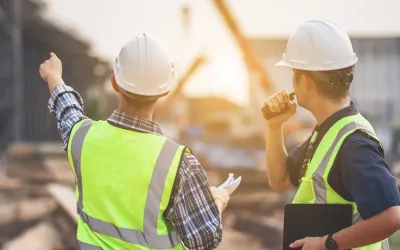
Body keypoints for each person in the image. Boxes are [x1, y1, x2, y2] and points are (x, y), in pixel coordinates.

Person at [39, 33, 230, 250]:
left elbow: (67, 110)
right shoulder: (179, 163)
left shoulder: (82, 138)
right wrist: (218, 200)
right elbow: (205, 239)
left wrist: (54, 76)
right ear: (165, 91)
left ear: (114, 83)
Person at [262, 20, 400, 250]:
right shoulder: (329, 131)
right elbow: (280, 179)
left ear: (304, 82)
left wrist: (327, 244)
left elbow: (392, 216)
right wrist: (275, 126)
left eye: (294, 73)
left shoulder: (354, 143)